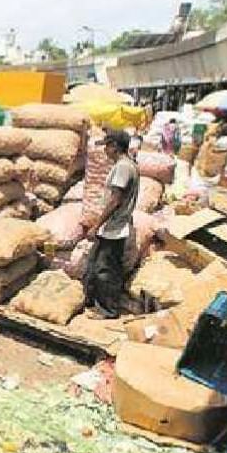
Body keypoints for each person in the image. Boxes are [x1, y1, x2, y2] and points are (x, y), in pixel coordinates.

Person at [84, 130, 139, 319]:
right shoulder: (127, 164)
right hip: (112, 227)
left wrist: (96, 225)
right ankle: (92, 301)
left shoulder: (123, 167)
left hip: (114, 228)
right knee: (94, 265)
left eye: (107, 146)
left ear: (114, 147)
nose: (105, 151)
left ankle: (108, 311)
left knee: (105, 271)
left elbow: (115, 199)